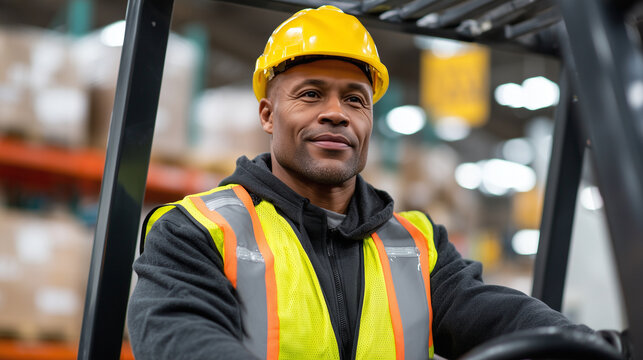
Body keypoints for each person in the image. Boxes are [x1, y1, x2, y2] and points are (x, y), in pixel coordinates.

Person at [127, 5, 630, 360]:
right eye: (309, 94)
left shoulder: (415, 245)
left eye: (355, 100)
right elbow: (182, 341)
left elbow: (497, 317)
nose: (336, 114)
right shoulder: (197, 231)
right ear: (267, 113)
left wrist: (596, 345)